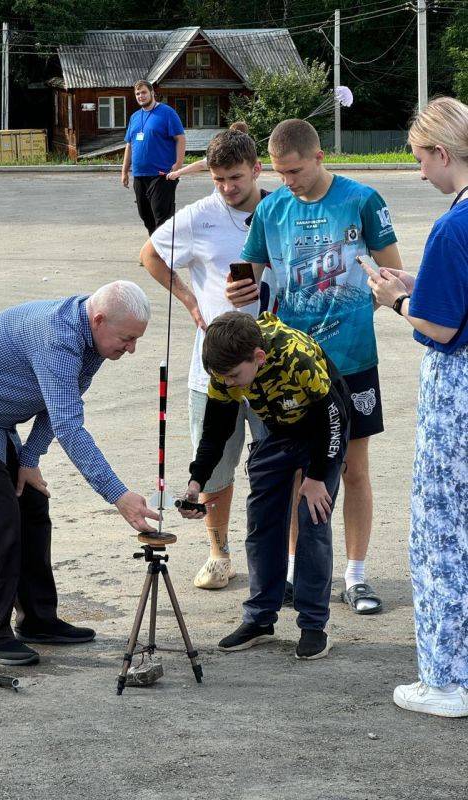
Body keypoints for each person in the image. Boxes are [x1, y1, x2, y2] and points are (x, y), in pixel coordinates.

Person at [0, 281, 160, 667]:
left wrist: (28, 459)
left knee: (30, 508)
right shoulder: (58, 339)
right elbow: (68, 426)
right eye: (127, 338)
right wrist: (118, 494)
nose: (131, 349)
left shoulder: (92, 339)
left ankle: (37, 621)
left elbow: (60, 402)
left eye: (136, 340)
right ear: (98, 320)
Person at [227, 118, 403, 615]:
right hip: (289, 365)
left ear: (320, 156)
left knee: (353, 468)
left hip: (351, 358)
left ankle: (357, 576)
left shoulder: (361, 200)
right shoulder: (272, 208)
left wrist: (362, 309)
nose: (288, 181)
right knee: (294, 467)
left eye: (296, 171)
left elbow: (392, 272)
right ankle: (291, 572)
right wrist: (237, 287)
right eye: (280, 173)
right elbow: (249, 270)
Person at [362, 97, 468, 718]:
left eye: (421, 160)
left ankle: (444, 678)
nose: (420, 173)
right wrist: (417, 286)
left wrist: (392, 300)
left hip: (456, 392)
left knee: (439, 532)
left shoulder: (454, 224)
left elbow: (441, 328)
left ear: (443, 153)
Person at [140, 129, 270, 589]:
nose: (227, 188)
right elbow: (149, 255)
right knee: (215, 465)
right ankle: (219, 553)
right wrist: (191, 301)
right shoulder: (199, 217)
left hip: (272, 368)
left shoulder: (280, 212)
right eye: (218, 180)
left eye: (235, 177)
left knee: (282, 465)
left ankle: (289, 558)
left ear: (257, 168)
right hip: (214, 370)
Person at [179, 311, 350, 660]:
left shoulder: (294, 354)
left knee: (313, 521)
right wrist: (196, 480)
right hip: (280, 432)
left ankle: (314, 625)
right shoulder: (225, 368)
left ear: (258, 358)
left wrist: (317, 476)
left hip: (323, 433)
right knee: (261, 521)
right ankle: (259, 619)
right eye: (221, 378)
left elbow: (334, 416)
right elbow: (216, 430)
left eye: (233, 377)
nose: (228, 384)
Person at [121, 80, 186, 234]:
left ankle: (162, 254)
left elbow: (180, 138)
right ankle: (155, 248)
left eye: (143, 92)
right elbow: (129, 145)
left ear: (152, 93)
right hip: (139, 175)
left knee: (162, 218)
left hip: (162, 174)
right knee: (145, 216)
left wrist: (178, 164)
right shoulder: (135, 117)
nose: (140, 96)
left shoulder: (167, 113)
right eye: (137, 94)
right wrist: (124, 171)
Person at [165, 121, 249, 180]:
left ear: (230, 133)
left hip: (224, 197)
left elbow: (201, 164)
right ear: (246, 135)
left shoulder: (225, 150)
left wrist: (177, 173)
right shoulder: (250, 152)